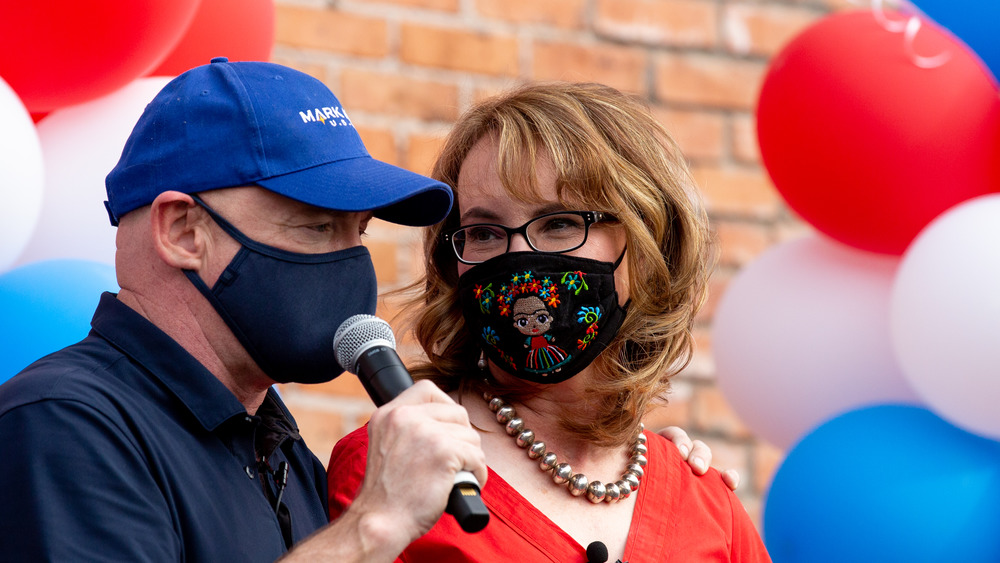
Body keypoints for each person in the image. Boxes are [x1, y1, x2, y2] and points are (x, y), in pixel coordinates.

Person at [0, 58, 488, 562]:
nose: (350, 263)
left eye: (358, 231)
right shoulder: (66, 423)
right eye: (317, 226)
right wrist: (371, 527)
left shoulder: (284, 454)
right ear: (184, 231)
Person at [327, 82, 771, 561]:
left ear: (647, 246)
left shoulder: (706, 504)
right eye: (483, 232)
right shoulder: (392, 475)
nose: (518, 258)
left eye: (558, 223)